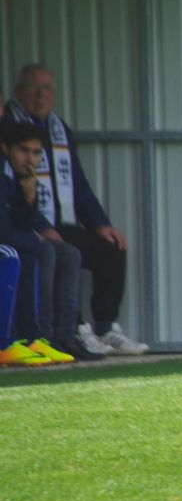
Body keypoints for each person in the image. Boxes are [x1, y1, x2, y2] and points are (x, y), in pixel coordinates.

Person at [0, 64, 148, 355]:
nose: (41, 95)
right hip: (28, 224)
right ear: (19, 93)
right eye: (34, 88)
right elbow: (12, 191)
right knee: (49, 250)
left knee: (109, 247)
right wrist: (40, 227)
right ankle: (61, 332)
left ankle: (103, 328)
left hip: (54, 221)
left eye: (47, 89)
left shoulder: (59, 128)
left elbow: (78, 183)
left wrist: (100, 223)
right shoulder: (9, 128)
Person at [0, 124, 77, 364]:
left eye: (36, 153)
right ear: (6, 148)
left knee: (34, 250)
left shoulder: (15, 179)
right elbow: (4, 233)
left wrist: (29, 197)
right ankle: (5, 343)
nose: (30, 159)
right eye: (24, 151)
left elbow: (21, 224)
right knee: (13, 254)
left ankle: (33, 337)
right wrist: (32, 238)